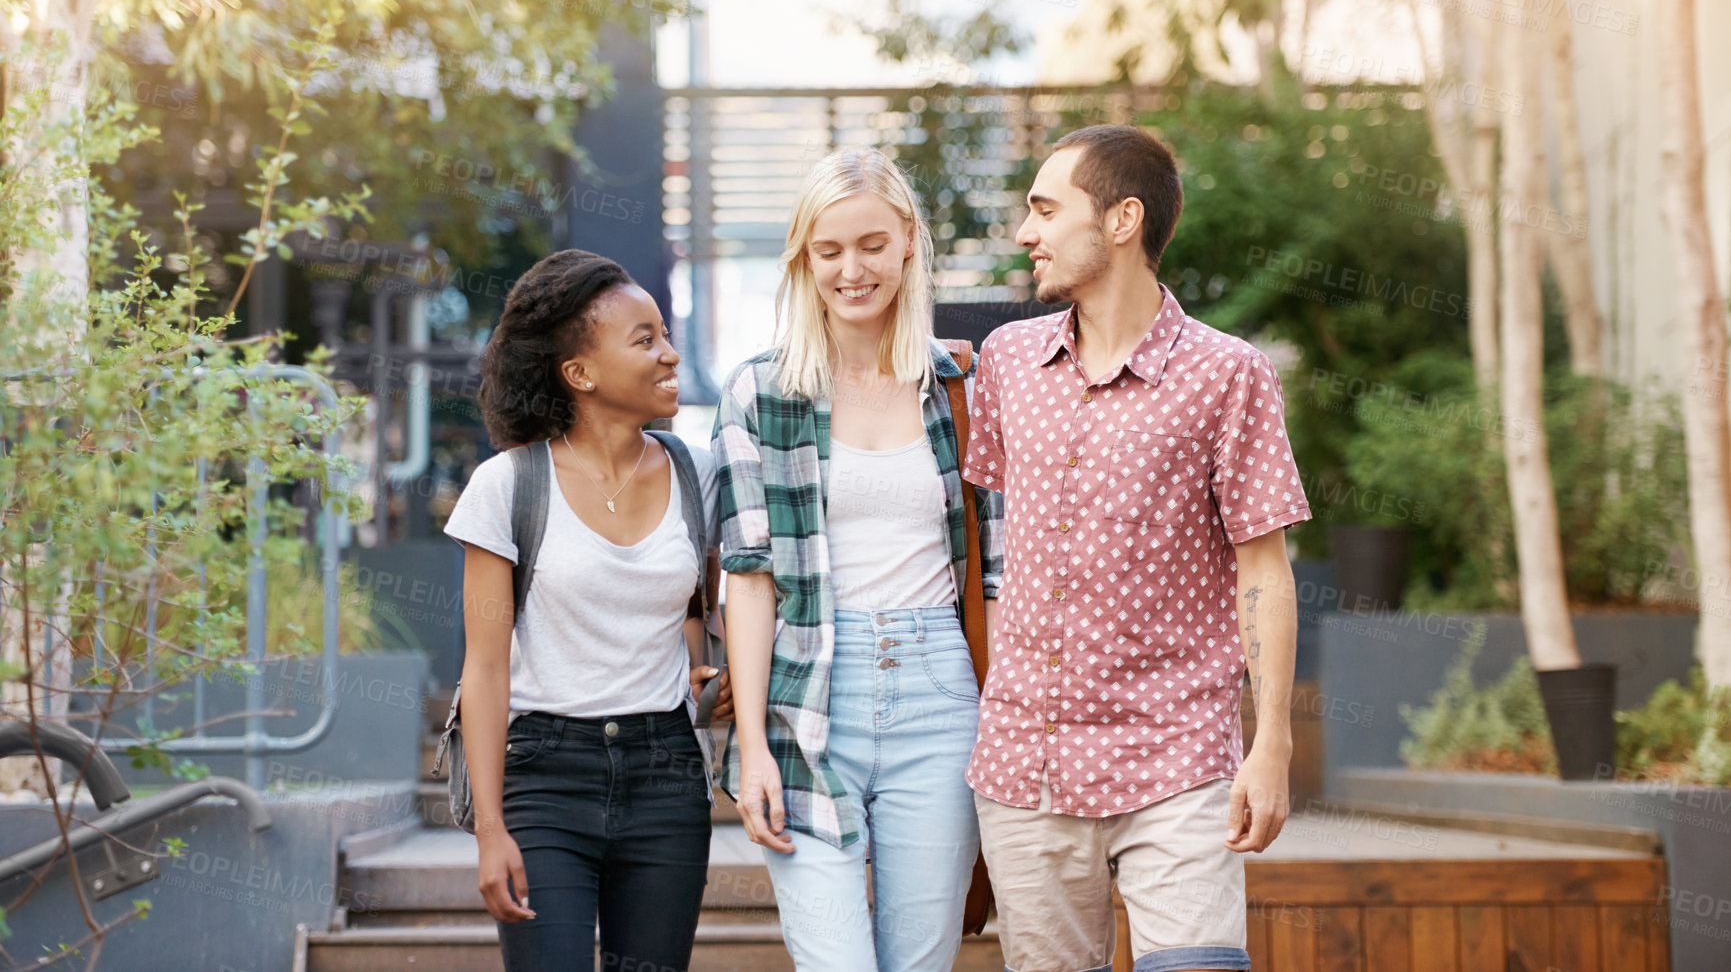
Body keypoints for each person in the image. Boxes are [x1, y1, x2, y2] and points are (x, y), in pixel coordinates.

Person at [964, 125, 1312, 972]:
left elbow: (1262, 568)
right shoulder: (1008, 361)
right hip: (1027, 767)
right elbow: (986, 557)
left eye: (1045, 209)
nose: (1025, 232)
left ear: (1122, 219)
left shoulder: (1228, 374)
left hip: (1177, 760)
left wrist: (1270, 744)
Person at [714, 148, 1004, 971]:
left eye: (871, 244)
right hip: (809, 694)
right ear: (803, 258)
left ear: (909, 241)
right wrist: (757, 745)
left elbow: (997, 577)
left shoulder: (963, 390)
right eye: (828, 249)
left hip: (941, 693)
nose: (851, 269)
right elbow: (748, 574)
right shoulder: (757, 392)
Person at [442, 248, 731, 972]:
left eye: (664, 334)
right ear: (580, 372)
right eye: (645, 340)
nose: (669, 354)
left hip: (665, 774)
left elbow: (700, 612)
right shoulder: (505, 486)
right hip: (543, 775)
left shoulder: (699, 475)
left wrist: (711, 677)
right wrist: (489, 829)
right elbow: (482, 669)